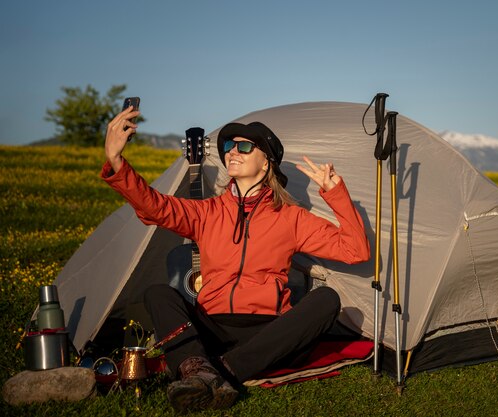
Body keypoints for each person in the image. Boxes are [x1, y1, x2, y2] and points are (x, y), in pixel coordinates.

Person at [101, 106, 370, 412]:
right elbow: (155, 208)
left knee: (326, 299)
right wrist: (116, 161)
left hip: (269, 333)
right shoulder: (207, 212)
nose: (232, 152)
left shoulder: (292, 219)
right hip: (212, 328)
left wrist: (334, 193)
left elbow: (355, 251)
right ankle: (208, 370)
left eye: (244, 146)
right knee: (158, 293)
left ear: (266, 161)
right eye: (229, 146)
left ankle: (212, 372)